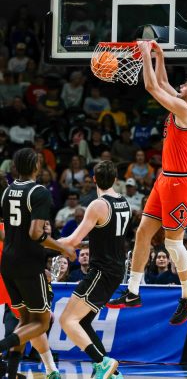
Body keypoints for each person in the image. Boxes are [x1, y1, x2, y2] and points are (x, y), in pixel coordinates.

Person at [107, 40, 187, 325]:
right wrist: (159, 57)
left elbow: (153, 87)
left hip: (180, 183)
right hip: (165, 179)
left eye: (186, 85)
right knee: (142, 234)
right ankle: (132, 291)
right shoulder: (181, 104)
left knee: (172, 244)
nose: (181, 86)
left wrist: (143, 56)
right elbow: (162, 82)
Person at [0, 148, 76, 378]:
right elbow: (35, 233)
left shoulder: (7, 192)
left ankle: (11, 374)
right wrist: (64, 248)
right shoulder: (39, 191)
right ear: (36, 166)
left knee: (25, 320)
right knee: (42, 323)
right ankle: (2, 347)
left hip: (8, 262)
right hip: (28, 263)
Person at [58, 160, 130, 379]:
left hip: (102, 271)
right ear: (116, 180)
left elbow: (73, 240)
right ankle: (112, 372)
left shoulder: (98, 205)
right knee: (83, 321)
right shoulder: (123, 202)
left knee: (67, 321)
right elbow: (105, 238)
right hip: (115, 270)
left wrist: (48, 243)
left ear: (94, 179)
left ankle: (103, 362)